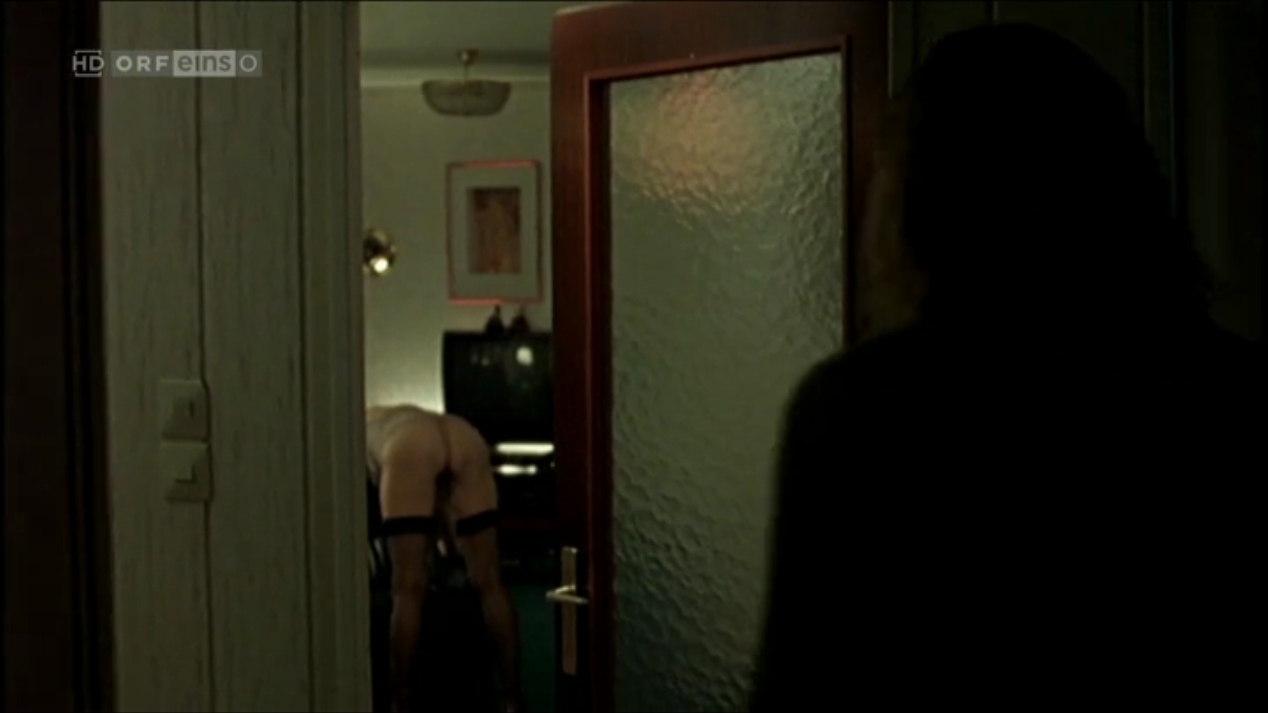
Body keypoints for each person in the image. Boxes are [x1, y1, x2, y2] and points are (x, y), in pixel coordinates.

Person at [752, 24, 1264, 708]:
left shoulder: (865, 412)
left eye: (887, 168)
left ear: (926, 197)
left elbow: (802, 683)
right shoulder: (1238, 397)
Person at [366, 405, 523, 712]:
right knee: (490, 582)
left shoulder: (355, 431)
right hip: (462, 434)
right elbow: (438, 499)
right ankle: (513, 698)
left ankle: (398, 700)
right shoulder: (397, 414)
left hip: (408, 445)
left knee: (407, 587)